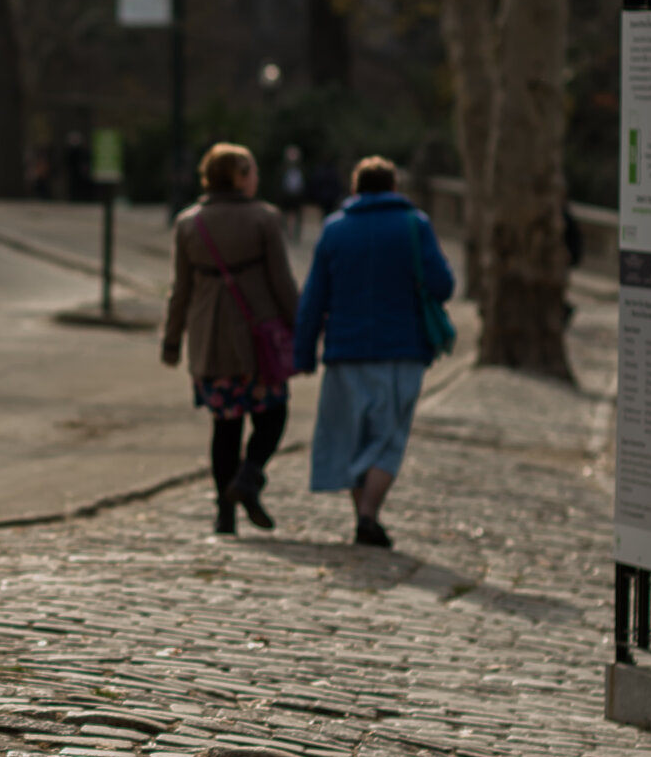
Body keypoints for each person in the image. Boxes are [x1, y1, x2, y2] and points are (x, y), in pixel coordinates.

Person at [291, 156, 454, 549]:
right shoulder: (415, 226)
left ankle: (364, 516)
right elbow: (443, 284)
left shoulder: (334, 231)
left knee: (352, 437)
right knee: (387, 438)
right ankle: (369, 516)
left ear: (354, 188)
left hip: (345, 350)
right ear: (395, 187)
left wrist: (303, 352)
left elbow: (314, 297)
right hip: (403, 351)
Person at [162, 143, 299, 535]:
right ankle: (250, 476)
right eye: (251, 171)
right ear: (238, 176)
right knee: (272, 417)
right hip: (258, 344)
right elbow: (282, 284)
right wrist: (302, 328)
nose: (256, 178)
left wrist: (172, 341)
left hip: (211, 343)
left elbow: (181, 290)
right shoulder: (265, 219)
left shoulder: (189, 223)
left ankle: (225, 511)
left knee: (225, 427)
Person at [278, 144, 307, 245]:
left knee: (298, 217)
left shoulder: (301, 168)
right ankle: (286, 235)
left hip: (297, 196)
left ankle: (296, 236)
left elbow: (304, 183)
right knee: (285, 216)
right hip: (286, 196)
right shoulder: (283, 168)